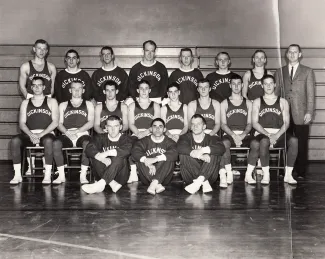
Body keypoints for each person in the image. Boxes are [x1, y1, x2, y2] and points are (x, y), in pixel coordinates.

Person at [275, 44, 315, 179]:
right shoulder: (280, 71)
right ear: (286, 55)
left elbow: (311, 94)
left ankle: (301, 171)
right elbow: (276, 94)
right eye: (290, 52)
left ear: (300, 54)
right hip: (284, 113)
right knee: (285, 141)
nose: (292, 54)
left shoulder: (308, 71)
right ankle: (284, 170)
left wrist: (309, 112)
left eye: (295, 52)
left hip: (301, 113)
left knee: (302, 142)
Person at [10, 77, 59, 184]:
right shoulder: (25, 103)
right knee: (15, 140)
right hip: (30, 133)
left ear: (44, 87)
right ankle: (17, 175)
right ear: (31, 87)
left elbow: (55, 122)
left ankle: (47, 174)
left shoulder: (51, 101)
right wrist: (31, 134)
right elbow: (22, 123)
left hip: (46, 133)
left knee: (48, 141)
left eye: (39, 85)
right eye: (34, 85)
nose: (37, 87)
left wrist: (40, 134)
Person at [251, 74, 298, 185]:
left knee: (294, 141)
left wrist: (276, 135)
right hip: (262, 133)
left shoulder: (283, 102)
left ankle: (288, 174)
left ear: (275, 85)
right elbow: (254, 123)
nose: (268, 86)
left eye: (271, 83)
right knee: (264, 141)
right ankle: (266, 174)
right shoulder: (257, 102)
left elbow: (286, 123)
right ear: (262, 86)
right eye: (266, 84)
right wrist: (268, 134)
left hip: (279, 133)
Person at [219, 74, 257, 187]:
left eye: (238, 84)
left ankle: (248, 174)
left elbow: (250, 123)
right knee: (224, 143)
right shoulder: (224, 103)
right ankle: (229, 173)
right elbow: (223, 124)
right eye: (233, 84)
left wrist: (243, 135)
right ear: (230, 86)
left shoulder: (249, 103)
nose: (236, 86)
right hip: (230, 134)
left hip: (244, 134)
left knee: (256, 143)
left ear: (242, 85)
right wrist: (234, 136)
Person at [53, 81, 94, 184]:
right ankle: (61, 175)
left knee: (88, 144)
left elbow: (91, 122)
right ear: (70, 90)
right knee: (56, 143)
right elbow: (58, 123)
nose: (76, 90)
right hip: (67, 134)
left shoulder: (88, 104)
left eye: (79, 88)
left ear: (83, 90)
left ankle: (83, 174)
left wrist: (78, 130)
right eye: (74, 88)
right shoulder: (63, 105)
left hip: (82, 133)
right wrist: (67, 132)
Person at [83, 115, 132, 194]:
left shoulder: (126, 138)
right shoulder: (100, 137)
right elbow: (89, 149)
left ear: (120, 127)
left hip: (120, 177)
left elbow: (127, 150)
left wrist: (106, 153)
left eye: (116, 126)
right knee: (95, 156)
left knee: (119, 157)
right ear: (106, 127)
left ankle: (101, 184)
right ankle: (111, 183)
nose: (113, 130)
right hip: (101, 173)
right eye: (110, 126)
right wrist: (100, 157)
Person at [177, 114, 225, 194]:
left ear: (204, 126)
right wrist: (200, 155)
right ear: (190, 127)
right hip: (190, 177)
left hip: (210, 176)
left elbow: (221, 148)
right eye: (193, 124)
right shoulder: (184, 137)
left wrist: (203, 150)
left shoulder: (212, 138)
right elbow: (179, 147)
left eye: (198, 124)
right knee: (183, 153)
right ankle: (203, 181)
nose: (195, 126)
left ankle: (199, 181)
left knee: (214, 153)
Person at [131, 118, 178, 195]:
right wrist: (146, 161)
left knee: (169, 158)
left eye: (160, 126)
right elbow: (135, 152)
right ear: (151, 129)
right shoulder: (144, 140)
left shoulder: (170, 142)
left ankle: (154, 183)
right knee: (140, 158)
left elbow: (175, 153)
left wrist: (155, 159)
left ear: (164, 129)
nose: (157, 128)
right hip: (147, 177)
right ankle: (156, 183)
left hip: (164, 178)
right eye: (155, 126)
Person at [127, 80, 161, 183]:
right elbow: (130, 124)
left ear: (149, 90)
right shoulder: (132, 105)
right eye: (141, 88)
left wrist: (145, 133)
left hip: (152, 133)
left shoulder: (155, 105)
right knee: (129, 146)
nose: (144, 91)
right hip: (136, 133)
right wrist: (138, 133)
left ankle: (154, 171)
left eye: (146, 88)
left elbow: (157, 124)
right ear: (138, 90)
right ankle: (133, 173)